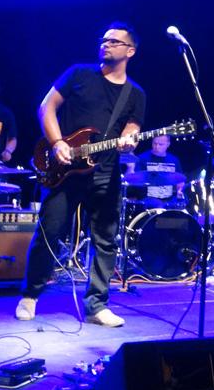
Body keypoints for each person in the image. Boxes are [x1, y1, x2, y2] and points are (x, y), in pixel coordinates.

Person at [16, 23, 146, 327]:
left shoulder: (135, 93)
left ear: (130, 51)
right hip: (64, 169)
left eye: (114, 41)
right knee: (49, 231)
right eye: (104, 40)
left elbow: (132, 128)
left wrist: (129, 140)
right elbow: (47, 107)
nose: (105, 44)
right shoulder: (79, 74)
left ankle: (97, 306)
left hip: (105, 172)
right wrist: (57, 142)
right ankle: (30, 295)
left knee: (105, 239)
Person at [130, 135, 185, 207]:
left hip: (169, 199)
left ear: (168, 144)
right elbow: (135, 180)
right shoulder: (142, 158)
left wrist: (179, 191)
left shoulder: (174, 160)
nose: (157, 147)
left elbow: (180, 181)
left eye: (161, 144)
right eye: (155, 143)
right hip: (147, 200)